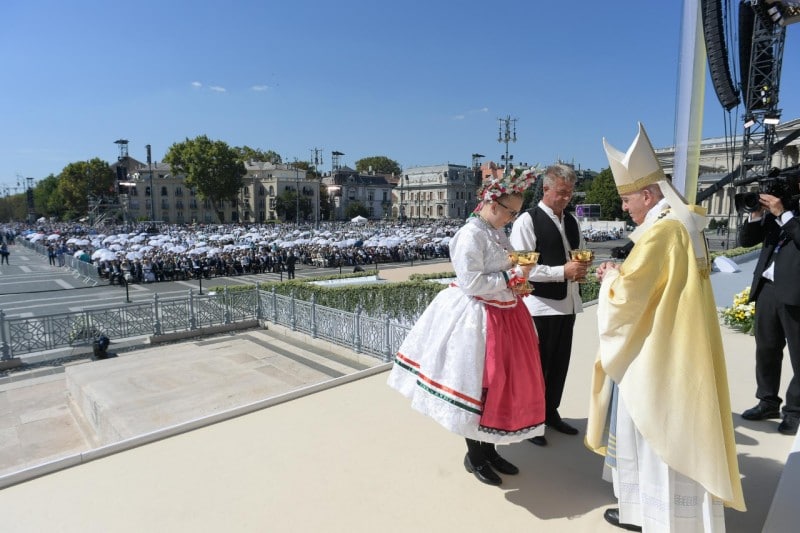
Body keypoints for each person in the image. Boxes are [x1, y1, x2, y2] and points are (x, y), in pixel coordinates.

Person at [586, 123, 745, 531]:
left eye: (625, 198)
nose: (623, 207)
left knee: (657, 430)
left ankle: (659, 519)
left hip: (659, 353)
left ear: (647, 194)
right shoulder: (683, 224)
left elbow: (627, 298)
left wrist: (607, 276)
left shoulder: (661, 232)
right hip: (680, 342)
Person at [388, 171, 546, 487]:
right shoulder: (470, 234)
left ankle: (489, 449)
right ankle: (475, 454)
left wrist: (519, 277)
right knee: (479, 385)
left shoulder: (494, 231)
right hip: (477, 319)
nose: (512, 218)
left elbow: (504, 268)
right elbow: (472, 282)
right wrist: (513, 279)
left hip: (503, 314)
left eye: (515, 213)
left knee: (498, 385)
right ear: (491, 202)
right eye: (510, 211)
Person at [509, 163, 588, 446]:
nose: (567, 198)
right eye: (562, 192)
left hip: (568, 304)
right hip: (540, 306)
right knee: (536, 367)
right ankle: (530, 420)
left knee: (559, 364)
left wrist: (580, 268)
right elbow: (523, 269)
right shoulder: (527, 221)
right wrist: (562, 272)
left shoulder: (571, 221)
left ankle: (550, 411)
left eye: (570, 193)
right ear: (545, 189)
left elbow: (574, 255)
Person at [737, 176, 800, 436]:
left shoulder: (785, 212)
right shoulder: (777, 211)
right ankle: (767, 402)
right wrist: (755, 213)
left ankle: (794, 412)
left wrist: (783, 214)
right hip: (767, 289)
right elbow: (746, 241)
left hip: (796, 292)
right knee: (766, 350)